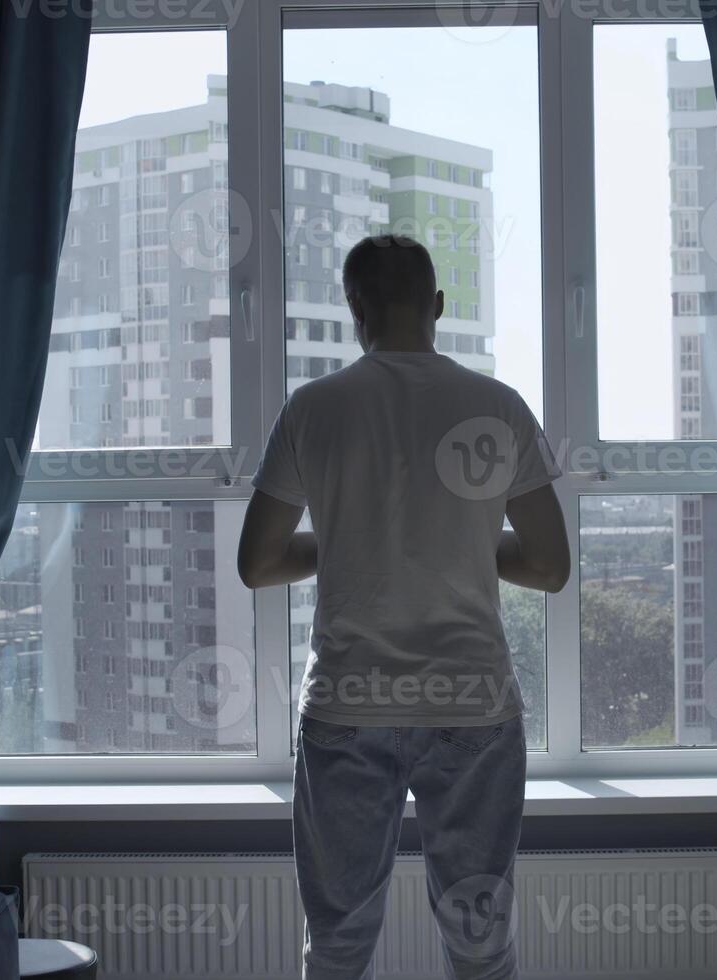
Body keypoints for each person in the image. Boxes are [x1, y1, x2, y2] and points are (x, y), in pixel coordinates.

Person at [237, 234, 570, 980]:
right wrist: (458, 540)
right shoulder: (497, 406)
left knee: (338, 946)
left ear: (354, 310)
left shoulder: (313, 409)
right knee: (480, 942)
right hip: (472, 706)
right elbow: (550, 567)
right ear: (439, 308)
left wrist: (354, 540)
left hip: (349, 702)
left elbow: (257, 564)